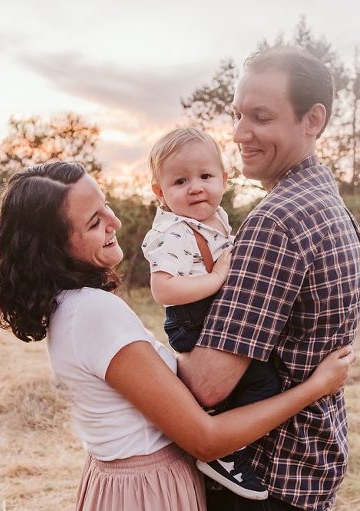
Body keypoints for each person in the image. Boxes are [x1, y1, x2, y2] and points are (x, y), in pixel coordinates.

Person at [0, 161, 356, 511]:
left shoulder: (72, 307)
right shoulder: (93, 313)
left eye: (106, 205)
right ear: (53, 250)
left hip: (130, 483)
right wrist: (315, 387)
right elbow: (205, 439)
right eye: (94, 222)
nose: (114, 221)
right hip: (146, 491)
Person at [178, 46, 360, 511]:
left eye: (261, 117)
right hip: (311, 465)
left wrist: (129, 356)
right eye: (239, 115)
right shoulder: (330, 205)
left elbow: (209, 385)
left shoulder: (277, 221)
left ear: (313, 120)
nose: (241, 133)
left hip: (264, 478)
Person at [142, 127, 280, 499]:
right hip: (191, 317)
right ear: (161, 193)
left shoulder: (214, 216)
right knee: (263, 383)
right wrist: (219, 278)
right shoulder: (173, 232)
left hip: (208, 312)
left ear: (224, 178)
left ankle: (226, 442)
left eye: (205, 176)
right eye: (180, 181)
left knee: (261, 377)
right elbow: (163, 289)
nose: (195, 187)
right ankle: (222, 449)